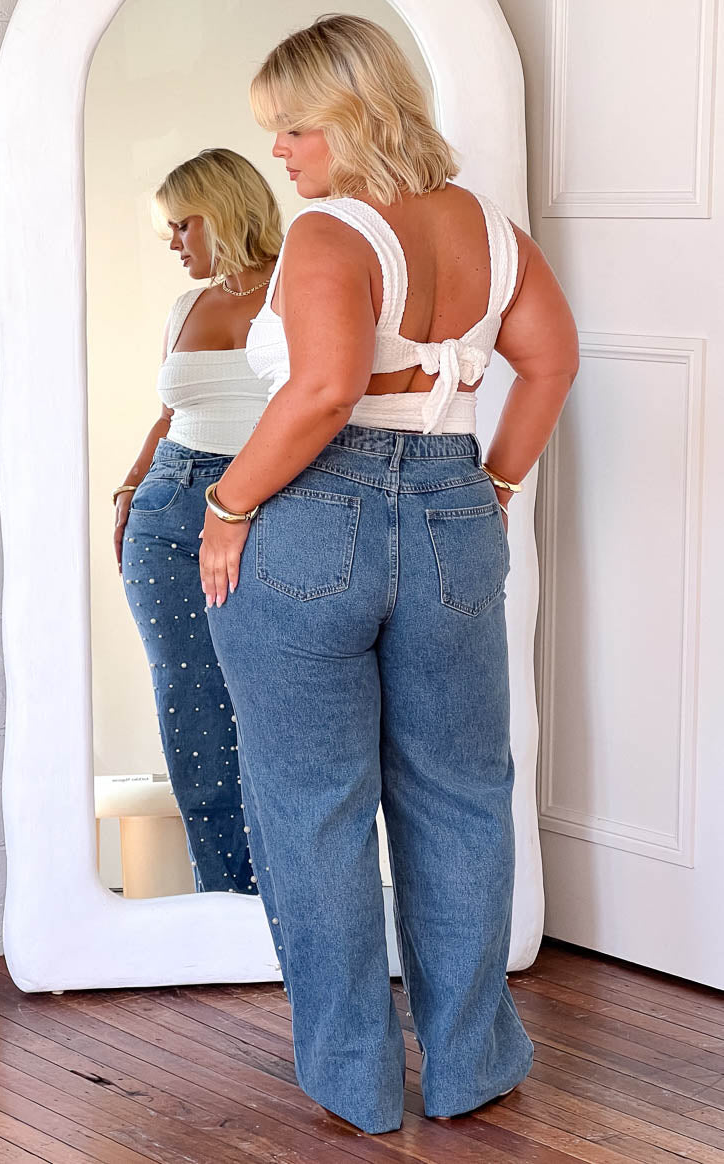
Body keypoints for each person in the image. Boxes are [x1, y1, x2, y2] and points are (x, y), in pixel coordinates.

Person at [199, 15, 579, 1133]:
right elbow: (550, 359)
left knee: (315, 807)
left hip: (314, 518)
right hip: (456, 507)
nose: (284, 155)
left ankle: (356, 1082)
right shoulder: (491, 233)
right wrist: (495, 487)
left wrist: (227, 507)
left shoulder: (329, 233)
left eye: (297, 129)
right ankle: (467, 1066)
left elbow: (320, 395)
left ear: (359, 114)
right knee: (462, 796)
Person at [113, 148, 281, 894]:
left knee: (276, 703)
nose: (175, 243)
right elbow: (169, 414)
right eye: (169, 231)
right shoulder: (187, 306)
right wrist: (128, 486)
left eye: (184, 224)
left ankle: (291, 899)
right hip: (167, 503)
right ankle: (227, 899)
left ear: (227, 208)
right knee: (189, 704)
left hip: (270, 507)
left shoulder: (303, 288)